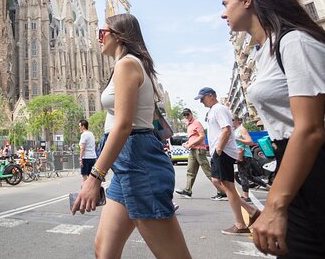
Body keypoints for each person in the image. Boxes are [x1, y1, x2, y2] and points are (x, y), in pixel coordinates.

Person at [222, 0, 325, 257]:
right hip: (296, 162)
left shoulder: (296, 43)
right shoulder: (266, 50)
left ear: (247, 0)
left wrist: (274, 206)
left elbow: (311, 130)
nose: (223, 14)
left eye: (226, 4)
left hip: (323, 164)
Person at [72, 13, 191, 258]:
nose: (99, 38)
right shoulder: (128, 64)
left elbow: (124, 125)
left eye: (102, 32)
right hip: (127, 165)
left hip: (139, 163)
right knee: (104, 250)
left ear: (119, 35)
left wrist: (95, 177)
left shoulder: (127, 64)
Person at [195, 87, 261, 235]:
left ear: (211, 96)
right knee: (217, 181)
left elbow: (226, 129)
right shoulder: (212, 110)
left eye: (202, 98)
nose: (201, 101)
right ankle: (251, 210)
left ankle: (240, 225)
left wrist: (219, 148)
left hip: (222, 151)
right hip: (218, 152)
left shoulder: (219, 108)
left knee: (228, 186)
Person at [175, 108, 225, 199]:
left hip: (199, 150)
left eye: (187, 114)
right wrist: (187, 143)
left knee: (208, 172)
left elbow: (202, 137)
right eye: (185, 115)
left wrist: (190, 144)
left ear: (191, 113)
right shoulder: (189, 125)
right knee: (190, 171)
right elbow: (193, 137)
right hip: (193, 150)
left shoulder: (196, 123)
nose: (186, 116)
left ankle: (222, 192)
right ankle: (187, 191)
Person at [232, 116, 254, 202]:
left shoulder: (241, 129)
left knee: (243, 175)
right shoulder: (234, 130)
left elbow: (250, 142)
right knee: (249, 176)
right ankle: (268, 186)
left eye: (233, 120)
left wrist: (237, 139)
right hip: (239, 154)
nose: (231, 121)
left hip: (244, 154)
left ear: (238, 120)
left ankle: (246, 196)